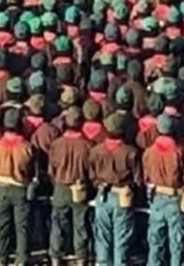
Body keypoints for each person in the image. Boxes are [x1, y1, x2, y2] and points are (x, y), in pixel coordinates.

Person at [89, 113, 140, 266]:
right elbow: (138, 179)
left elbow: (91, 175)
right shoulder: (131, 152)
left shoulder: (96, 151)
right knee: (122, 237)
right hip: (122, 196)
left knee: (102, 236)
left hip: (101, 195)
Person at [0, 107, 35, 266]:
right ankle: (22, 258)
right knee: (22, 227)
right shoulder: (26, 147)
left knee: (1, 226)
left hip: (1, 188)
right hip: (21, 188)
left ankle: (1, 257)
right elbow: (31, 170)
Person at [47, 107, 92, 266]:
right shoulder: (87, 145)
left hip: (60, 187)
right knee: (80, 224)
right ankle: (81, 258)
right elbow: (90, 172)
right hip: (80, 188)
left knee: (57, 224)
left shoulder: (56, 144)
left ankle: (55, 258)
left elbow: (50, 171)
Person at [143, 114, 184, 266]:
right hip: (175, 200)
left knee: (155, 243)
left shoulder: (149, 152)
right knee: (178, 244)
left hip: (156, 199)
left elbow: (146, 177)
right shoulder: (180, 151)